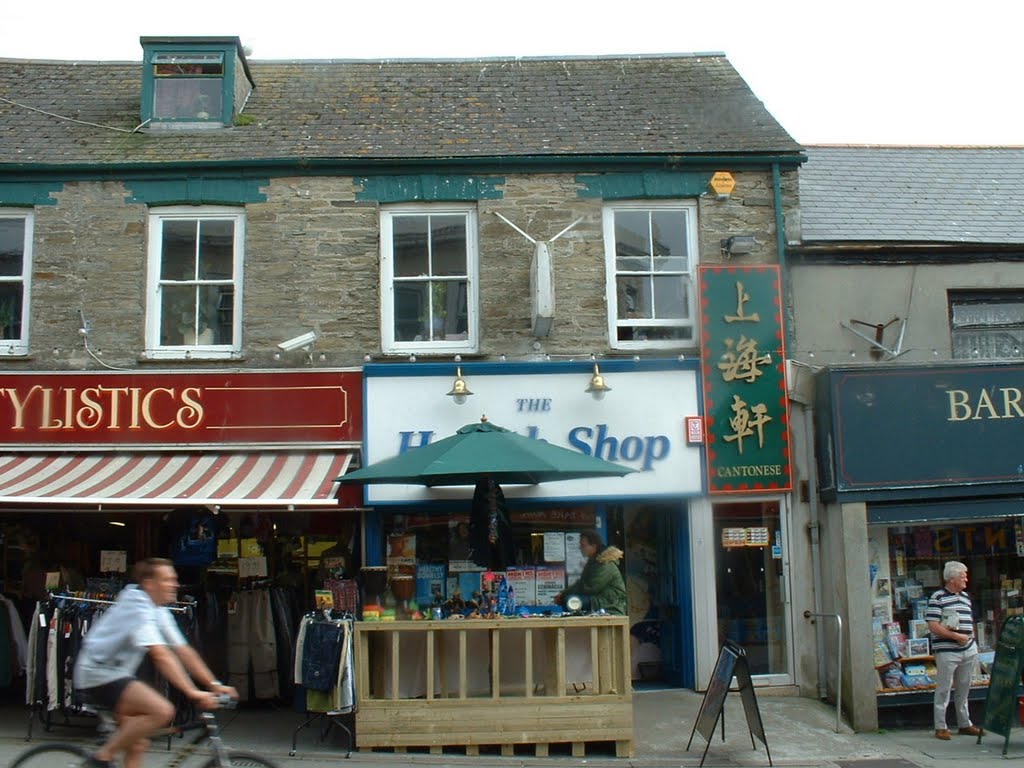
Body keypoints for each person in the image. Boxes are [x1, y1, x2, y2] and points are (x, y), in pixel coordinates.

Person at [73, 558, 239, 768]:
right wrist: (193, 692)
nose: (176, 585)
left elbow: (183, 650)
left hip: (115, 674)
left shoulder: (157, 608)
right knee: (162, 710)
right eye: (168, 580)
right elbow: (161, 655)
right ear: (150, 583)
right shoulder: (137, 606)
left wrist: (214, 685)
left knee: (136, 743)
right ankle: (101, 758)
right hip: (97, 674)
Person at [926, 560, 981, 741]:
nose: (966, 579)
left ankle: (965, 723)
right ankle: (940, 726)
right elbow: (933, 625)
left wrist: (971, 641)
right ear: (952, 578)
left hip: (968, 649)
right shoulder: (938, 598)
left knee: (964, 687)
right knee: (944, 688)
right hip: (948, 650)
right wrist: (956, 637)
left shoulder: (965, 597)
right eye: (962, 576)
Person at [557, 529, 627, 615]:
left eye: (583, 545)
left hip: (610, 603)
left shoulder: (604, 563)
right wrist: (564, 593)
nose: (580, 548)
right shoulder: (594, 561)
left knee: (570, 601)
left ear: (594, 546)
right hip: (598, 599)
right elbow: (582, 583)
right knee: (569, 600)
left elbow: (591, 587)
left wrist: (565, 594)